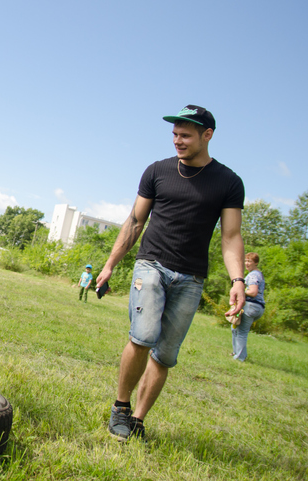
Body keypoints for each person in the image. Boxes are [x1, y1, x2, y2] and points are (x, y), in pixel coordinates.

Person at [95, 105, 246, 442]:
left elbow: (231, 236)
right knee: (144, 335)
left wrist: (239, 280)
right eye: (175, 134)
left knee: (165, 354)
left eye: (186, 135)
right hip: (152, 265)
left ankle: (137, 419)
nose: (177, 140)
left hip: (191, 277)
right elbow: (134, 222)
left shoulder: (229, 182)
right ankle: (120, 407)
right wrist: (110, 264)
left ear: (207, 136)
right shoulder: (157, 171)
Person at [232, 252, 265, 362]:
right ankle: (236, 352)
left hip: (251, 306)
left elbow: (253, 292)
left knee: (241, 331)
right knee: (235, 327)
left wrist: (242, 290)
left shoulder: (253, 275)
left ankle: (239, 357)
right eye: (245, 261)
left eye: (249, 261)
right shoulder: (259, 274)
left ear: (256, 263)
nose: (247, 263)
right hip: (258, 307)